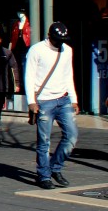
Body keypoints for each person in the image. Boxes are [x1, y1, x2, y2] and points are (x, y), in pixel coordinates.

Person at [25, 22, 79, 190]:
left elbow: (68, 75)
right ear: (50, 37)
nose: (61, 42)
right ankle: (44, 175)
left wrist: (74, 98)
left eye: (63, 39)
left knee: (71, 136)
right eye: (58, 39)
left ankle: (55, 167)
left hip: (63, 99)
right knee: (44, 141)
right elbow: (29, 76)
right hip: (44, 101)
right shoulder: (37, 50)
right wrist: (31, 101)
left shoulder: (67, 50)